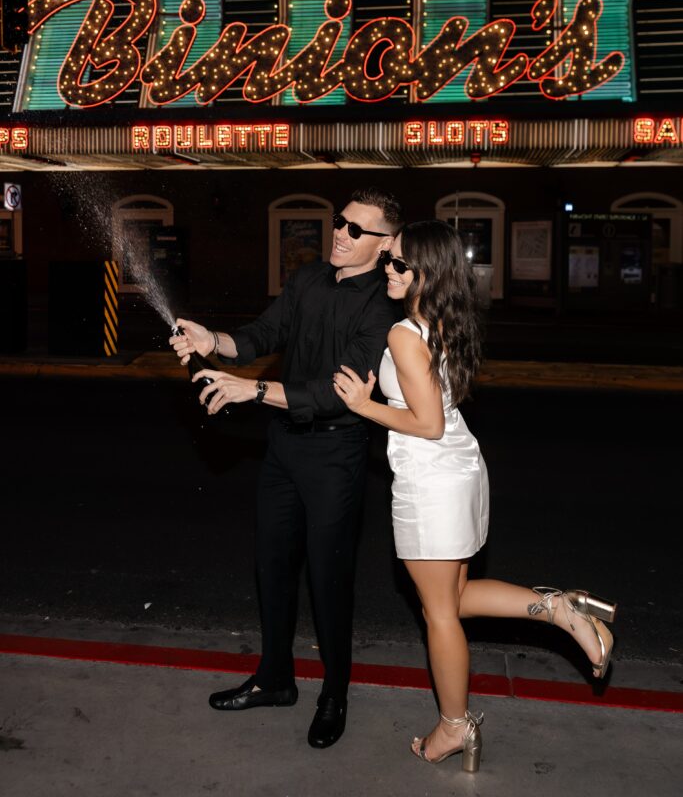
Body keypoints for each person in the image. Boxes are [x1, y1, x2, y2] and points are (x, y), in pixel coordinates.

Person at [333, 220, 616, 773]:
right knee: (455, 598)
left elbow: (429, 423)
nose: (387, 270)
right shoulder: (441, 320)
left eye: (398, 263)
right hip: (459, 471)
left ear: (426, 273)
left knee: (439, 613)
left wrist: (364, 406)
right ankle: (560, 609)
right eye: (387, 260)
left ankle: (454, 725)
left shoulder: (403, 334)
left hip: (432, 478)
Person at [169, 188, 403, 749]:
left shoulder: (385, 309)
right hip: (283, 449)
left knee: (328, 580)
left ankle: (334, 694)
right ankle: (275, 679)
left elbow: (338, 394)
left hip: (335, 454)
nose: (341, 235)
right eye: (339, 223)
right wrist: (215, 341)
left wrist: (251, 391)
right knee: (271, 567)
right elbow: (263, 334)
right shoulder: (307, 280)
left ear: (386, 243)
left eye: (356, 230)